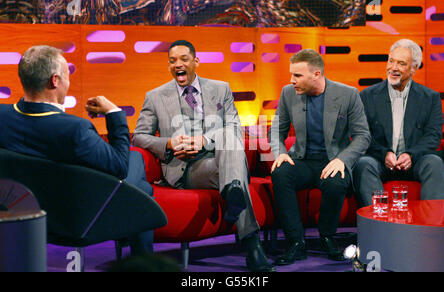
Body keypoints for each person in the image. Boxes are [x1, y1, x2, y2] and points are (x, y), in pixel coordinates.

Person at [133, 40, 275, 272]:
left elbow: (235, 129)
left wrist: (204, 141)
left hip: (218, 161)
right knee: (235, 173)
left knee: (231, 141)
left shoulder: (221, 89)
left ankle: (233, 191)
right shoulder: (156, 96)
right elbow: (139, 136)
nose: (177, 64)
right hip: (184, 169)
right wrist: (169, 142)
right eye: (172, 61)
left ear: (196, 62)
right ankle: (252, 244)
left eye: (183, 59)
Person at [0, 45, 155, 255]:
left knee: (143, 189)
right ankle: (144, 261)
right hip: (77, 220)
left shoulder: (3, 116)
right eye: (67, 74)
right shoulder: (74, 130)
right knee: (137, 165)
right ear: (54, 81)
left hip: (21, 214)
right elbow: (119, 167)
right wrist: (114, 113)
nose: (69, 81)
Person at [270, 49, 370, 265]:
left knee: (336, 182)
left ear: (316, 75)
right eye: (291, 75)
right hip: (303, 160)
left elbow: (363, 136)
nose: (291, 80)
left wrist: (342, 159)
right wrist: (280, 153)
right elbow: (277, 130)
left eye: (297, 76)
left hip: (333, 161)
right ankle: (296, 242)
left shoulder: (348, 94)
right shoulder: (288, 93)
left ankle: (326, 236)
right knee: (281, 173)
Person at [353, 39, 444, 207]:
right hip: (380, 160)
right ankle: (379, 225)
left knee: (434, 163)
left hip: (416, 160)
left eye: (401, 63)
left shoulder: (430, 98)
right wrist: (384, 154)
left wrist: (411, 155)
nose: (393, 68)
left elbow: (433, 136)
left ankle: (432, 227)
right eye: (391, 61)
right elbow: (362, 134)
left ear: (414, 68)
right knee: (363, 164)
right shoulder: (367, 96)